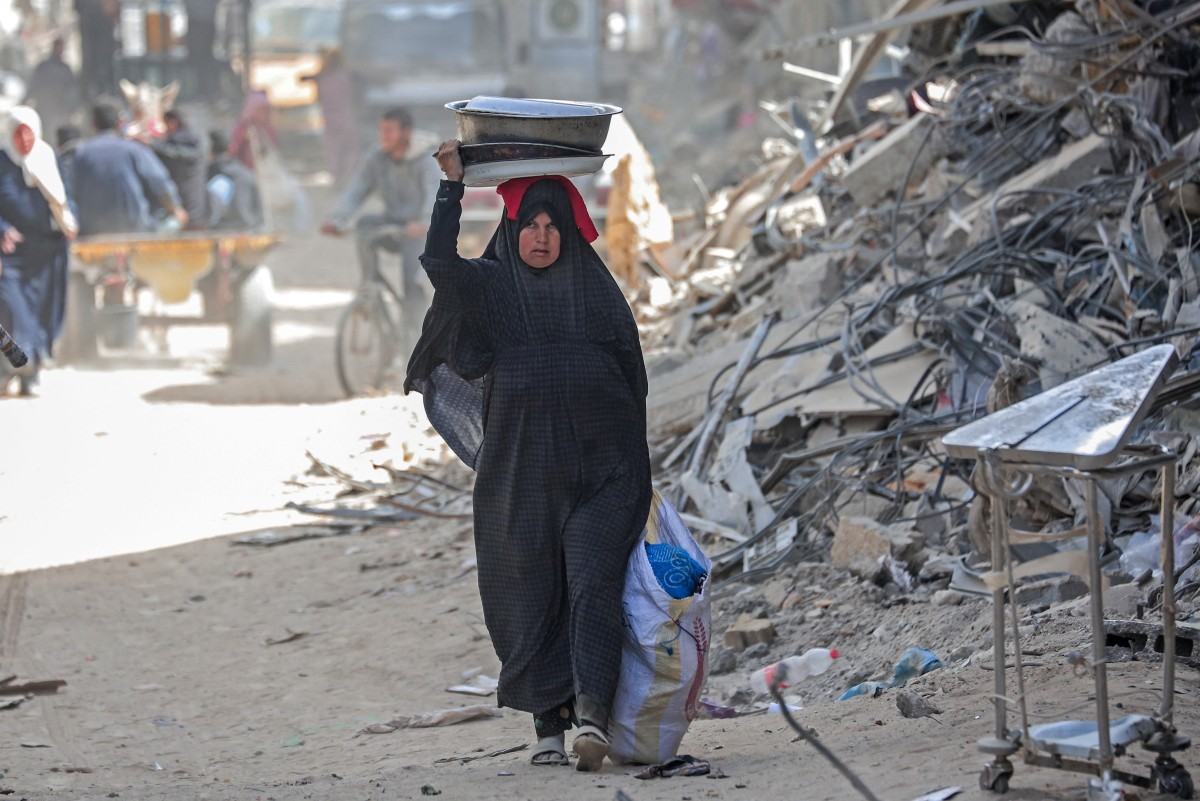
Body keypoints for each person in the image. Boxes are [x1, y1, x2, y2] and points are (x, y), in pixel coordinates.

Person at [405, 140, 652, 772]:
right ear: (511, 228)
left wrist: (633, 463)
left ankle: (592, 713)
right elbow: (439, 261)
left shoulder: (595, 292)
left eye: (553, 225)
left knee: (594, 583)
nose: (542, 237)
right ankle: (549, 719)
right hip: (523, 473)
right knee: (530, 587)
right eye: (530, 225)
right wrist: (452, 187)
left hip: (605, 471)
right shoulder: (490, 288)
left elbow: (632, 376)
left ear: (569, 232)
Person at [321, 107, 439, 345]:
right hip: (393, 225)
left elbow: (435, 195)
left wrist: (426, 222)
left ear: (406, 133)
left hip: (419, 231)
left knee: (412, 283)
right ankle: (369, 290)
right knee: (365, 225)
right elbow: (356, 191)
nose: (383, 136)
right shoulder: (376, 158)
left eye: (389, 131)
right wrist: (338, 219)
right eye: (381, 130)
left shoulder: (425, 160)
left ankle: (416, 337)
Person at [0, 106, 77, 395]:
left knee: (45, 311)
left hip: (49, 251)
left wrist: (71, 221)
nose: (23, 139)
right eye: (17, 132)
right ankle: (15, 365)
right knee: (13, 310)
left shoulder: (49, 158)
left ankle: (29, 373)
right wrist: (2, 228)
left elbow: (66, 197)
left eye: (28, 132)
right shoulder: (2, 162)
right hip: (12, 256)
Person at [72, 97, 187, 236]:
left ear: (94, 125)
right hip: (134, 231)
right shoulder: (134, 150)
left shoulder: (81, 153)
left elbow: (72, 190)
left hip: (91, 233)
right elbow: (159, 181)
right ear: (120, 124)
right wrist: (175, 209)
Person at [300, 47, 360, 186]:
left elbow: (318, 99)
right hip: (345, 116)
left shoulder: (323, 78)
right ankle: (348, 175)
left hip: (329, 118)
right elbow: (351, 96)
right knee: (352, 148)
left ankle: (335, 178)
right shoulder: (344, 77)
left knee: (332, 150)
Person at [151, 109, 208, 228]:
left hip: (179, 214)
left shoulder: (168, 148)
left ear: (172, 123)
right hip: (198, 211)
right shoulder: (198, 144)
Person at [22, 37, 79, 144]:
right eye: (60, 47)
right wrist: (25, 102)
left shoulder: (65, 68)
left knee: (59, 134)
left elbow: (72, 89)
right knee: (47, 134)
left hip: (61, 108)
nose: (61, 50)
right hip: (46, 107)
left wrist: (73, 107)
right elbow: (34, 84)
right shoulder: (44, 66)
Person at [206, 129, 261, 230]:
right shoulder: (246, 173)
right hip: (250, 226)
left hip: (224, 229)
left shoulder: (209, 174)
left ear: (211, 151)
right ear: (231, 148)